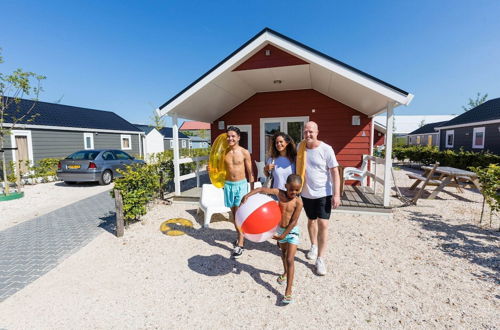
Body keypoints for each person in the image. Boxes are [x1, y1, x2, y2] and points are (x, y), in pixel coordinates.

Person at [241, 174, 303, 304]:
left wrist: (284, 235)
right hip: (279, 230)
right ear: (286, 186)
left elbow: (293, 221)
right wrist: (248, 195)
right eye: (291, 189)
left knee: (290, 259)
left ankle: (288, 291)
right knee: (283, 254)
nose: (294, 192)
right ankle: (285, 273)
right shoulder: (279, 193)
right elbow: (263, 190)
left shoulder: (298, 202)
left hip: (291, 232)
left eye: (297, 190)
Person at [299, 121, 340, 276]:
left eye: (311, 131)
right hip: (306, 193)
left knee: (323, 223)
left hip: (324, 192)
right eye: (305, 132)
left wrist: (336, 194)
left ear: (317, 132)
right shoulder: (300, 147)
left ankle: (321, 259)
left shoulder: (326, 149)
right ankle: (313, 245)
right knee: (311, 220)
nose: (308, 134)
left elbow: (335, 172)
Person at [223, 126, 254, 258]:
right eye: (228, 136)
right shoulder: (224, 152)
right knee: (234, 215)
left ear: (238, 137)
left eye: (233, 136)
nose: (230, 138)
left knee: (239, 215)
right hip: (228, 185)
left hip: (241, 185)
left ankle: (240, 244)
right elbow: (217, 170)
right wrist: (210, 169)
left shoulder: (244, 152)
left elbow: (250, 173)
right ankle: (239, 237)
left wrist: (251, 192)